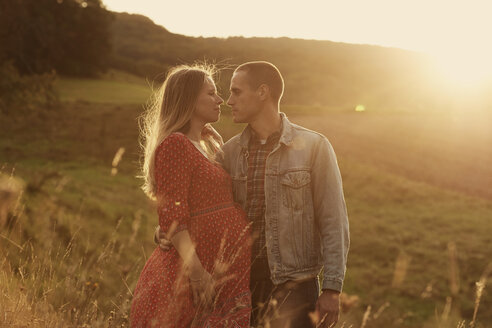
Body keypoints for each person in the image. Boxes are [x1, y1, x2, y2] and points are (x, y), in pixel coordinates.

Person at [157, 61, 349, 328]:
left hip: (295, 285)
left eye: (237, 92)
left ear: (262, 92)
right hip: (240, 285)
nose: (228, 100)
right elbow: (202, 205)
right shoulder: (228, 153)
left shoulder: (315, 147)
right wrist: (166, 230)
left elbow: (334, 222)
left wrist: (332, 289)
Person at [130, 65, 252, 328]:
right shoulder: (176, 144)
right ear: (188, 99)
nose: (220, 100)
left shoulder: (201, 146)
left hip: (218, 274)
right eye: (211, 93)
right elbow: (173, 213)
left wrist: (210, 137)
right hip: (193, 277)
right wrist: (196, 272)